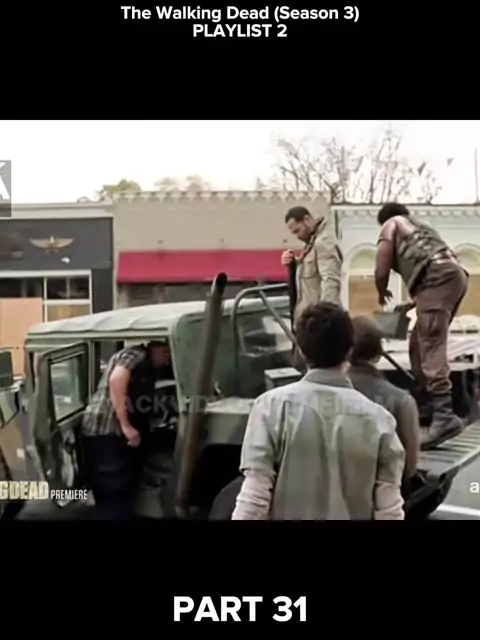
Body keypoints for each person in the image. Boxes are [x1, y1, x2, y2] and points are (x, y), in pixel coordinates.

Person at [232, 302, 405, 520]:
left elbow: (254, 498)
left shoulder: (271, 408)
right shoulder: (380, 421)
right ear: (350, 351)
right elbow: (390, 511)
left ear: (301, 350)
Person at [375, 202, 469, 449]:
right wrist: (412, 303)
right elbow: (436, 267)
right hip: (452, 276)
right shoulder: (422, 228)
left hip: (437, 279)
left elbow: (382, 263)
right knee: (418, 344)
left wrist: (381, 289)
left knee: (430, 344)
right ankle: (427, 407)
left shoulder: (392, 223)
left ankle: (444, 416)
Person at [82, 340, 174, 520]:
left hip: (115, 434)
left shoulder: (151, 368)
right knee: (114, 492)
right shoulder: (135, 354)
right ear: (152, 348)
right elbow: (117, 379)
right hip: (106, 431)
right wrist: (126, 426)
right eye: (165, 352)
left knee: (124, 492)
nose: (168, 358)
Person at [348, 315, 420, 485]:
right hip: (387, 492)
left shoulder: (324, 394)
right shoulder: (403, 401)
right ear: (379, 353)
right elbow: (410, 467)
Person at [281, 206, 342, 321]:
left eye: (297, 231)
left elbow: (330, 281)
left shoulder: (323, 242)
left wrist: (324, 317)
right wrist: (293, 262)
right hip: (309, 319)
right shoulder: (311, 244)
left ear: (307, 220)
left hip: (318, 321)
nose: (297, 236)